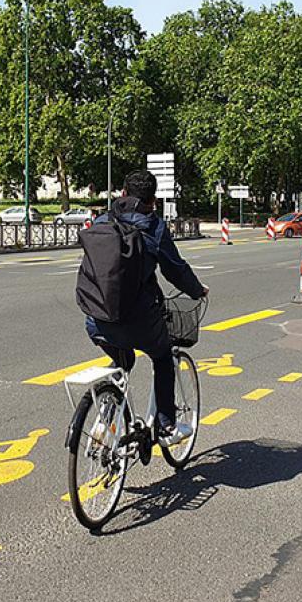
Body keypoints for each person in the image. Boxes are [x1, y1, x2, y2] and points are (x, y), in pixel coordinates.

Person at [83, 170, 208, 462]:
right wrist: (197, 290)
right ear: (153, 198)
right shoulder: (154, 227)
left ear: (123, 193)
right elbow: (175, 269)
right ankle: (166, 426)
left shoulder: (103, 221)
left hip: (96, 318)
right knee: (163, 357)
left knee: (123, 360)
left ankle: (105, 419)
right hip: (140, 321)